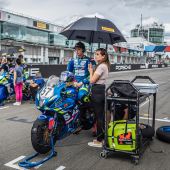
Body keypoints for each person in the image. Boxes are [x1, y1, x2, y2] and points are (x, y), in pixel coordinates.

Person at [88, 48, 110, 147]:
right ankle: (103, 138)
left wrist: (90, 71)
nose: (95, 56)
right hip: (101, 90)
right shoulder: (105, 65)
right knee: (101, 116)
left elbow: (92, 81)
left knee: (99, 117)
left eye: (97, 54)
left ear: (103, 56)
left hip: (97, 91)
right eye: (95, 54)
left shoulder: (101, 66)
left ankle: (99, 140)